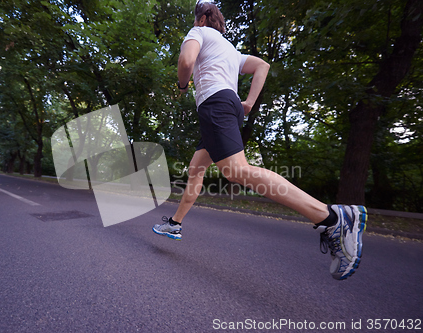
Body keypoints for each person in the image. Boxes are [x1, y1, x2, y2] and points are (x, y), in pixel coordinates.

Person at [152, 0, 367, 280]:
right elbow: (262, 66)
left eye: (196, 18)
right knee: (196, 169)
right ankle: (176, 223)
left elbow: (185, 62)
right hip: (224, 106)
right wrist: (249, 103)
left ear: (202, 19)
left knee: (236, 171)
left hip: (214, 105)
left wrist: (182, 85)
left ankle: (332, 218)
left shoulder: (198, 33)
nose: (195, 23)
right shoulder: (230, 50)